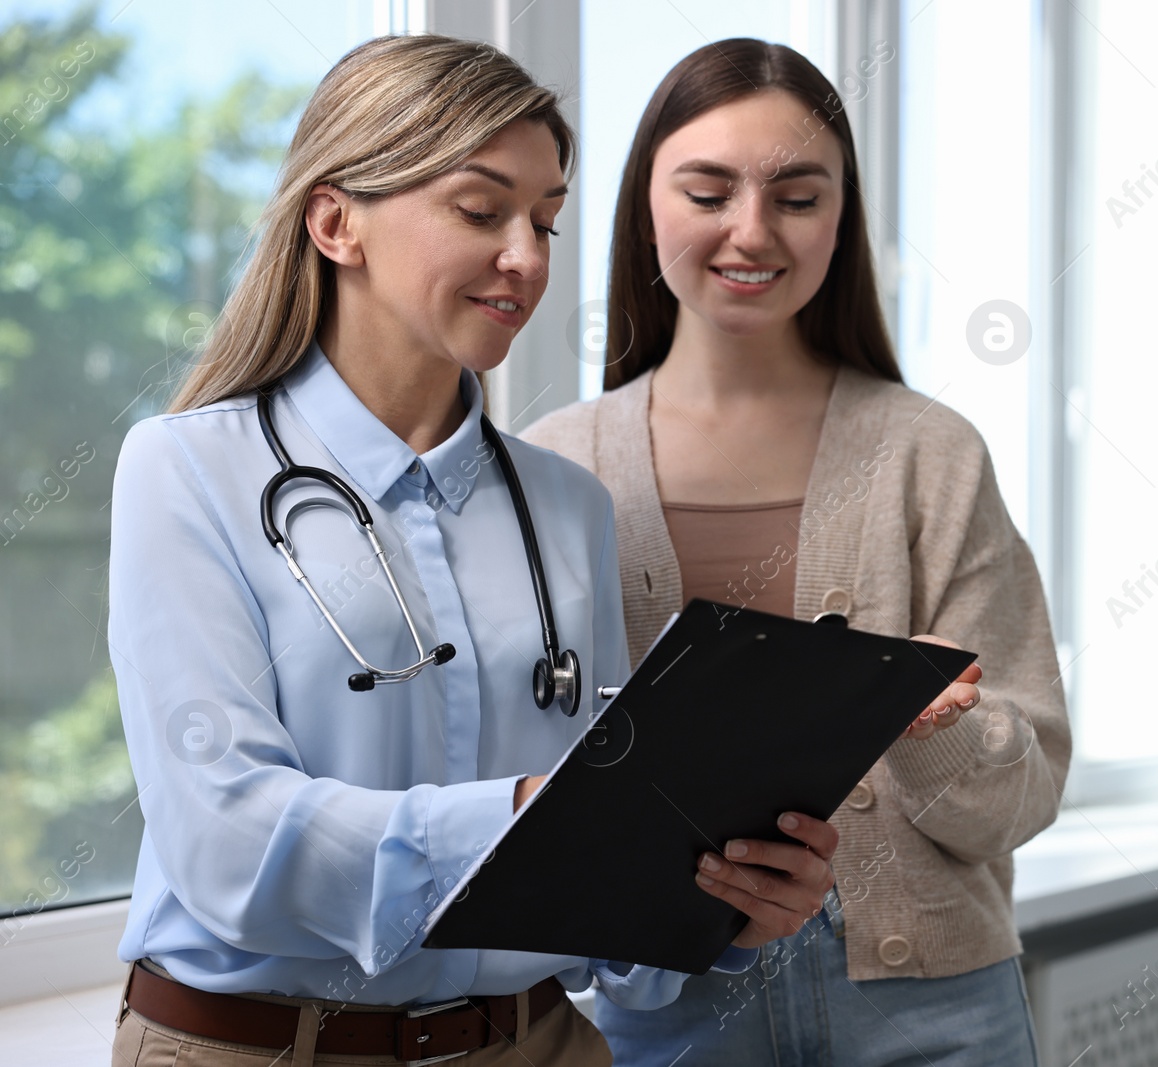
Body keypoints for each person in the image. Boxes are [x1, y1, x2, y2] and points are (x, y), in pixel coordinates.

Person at [106, 35, 839, 1067]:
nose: (529, 257)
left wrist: (723, 905)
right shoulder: (185, 469)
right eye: (481, 209)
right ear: (335, 221)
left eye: (545, 219)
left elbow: (611, 885)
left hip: (539, 1043)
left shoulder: (567, 506)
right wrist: (529, 818)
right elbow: (225, 837)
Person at [522, 38, 1072, 1066]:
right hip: (664, 1004)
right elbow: (526, 787)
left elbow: (1023, 794)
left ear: (841, 220)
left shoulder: (929, 453)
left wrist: (931, 728)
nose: (751, 231)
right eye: (708, 190)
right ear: (646, 203)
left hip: (933, 1004)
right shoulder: (557, 468)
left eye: (797, 196)